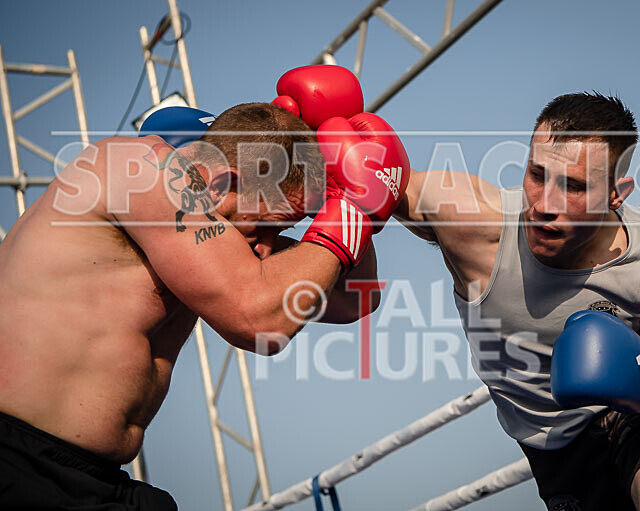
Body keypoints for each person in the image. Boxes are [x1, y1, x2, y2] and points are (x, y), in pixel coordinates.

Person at [0, 65, 409, 509]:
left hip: (96, 479)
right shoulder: (136, 169)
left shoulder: (226, 225)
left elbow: (354, 298)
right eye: (267, 227)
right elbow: (259, 320)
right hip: (17, 463)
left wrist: (347, 195)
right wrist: (353, 212)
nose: (268, 251)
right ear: (223, 182)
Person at [393, 92, 640, 510]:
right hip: (554, 455)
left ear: (615, 194)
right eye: (537, 174)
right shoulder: (477, 224)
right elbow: (384, 179)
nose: (545, 206)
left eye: (574, 186)